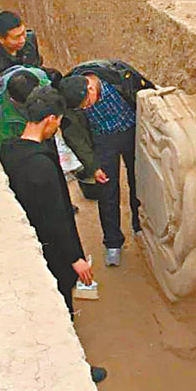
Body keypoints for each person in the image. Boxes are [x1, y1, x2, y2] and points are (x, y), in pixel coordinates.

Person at [0, 86, 106, 383]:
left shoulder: (9, 148)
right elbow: (57, 218)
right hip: (51, 249)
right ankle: (74, 370)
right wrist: (76, 259)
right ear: (48, 119)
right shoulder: (41, 167)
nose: (58, 125)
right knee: (61, 308)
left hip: (31, 241)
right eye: (57, 120)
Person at [55, 60, 154, 267]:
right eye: (83, 107)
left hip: (132, 132)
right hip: (102, 141)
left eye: (88, 102)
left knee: (139, 180)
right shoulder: (71, 98)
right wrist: (93, 166)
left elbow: (146, 90)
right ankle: (113, 243)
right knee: (107, 191)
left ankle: (140, 225)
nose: (87, 107)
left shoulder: (116, 76)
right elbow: (75, 137)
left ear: (90, 86)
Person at [0, 10, 42, 103]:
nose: (22, 40)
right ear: (1, 39)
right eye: (16, 37)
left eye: (23, 33)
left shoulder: (30, 39)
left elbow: (37, 65)